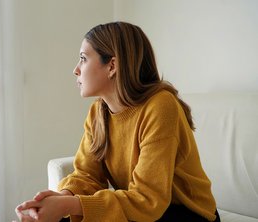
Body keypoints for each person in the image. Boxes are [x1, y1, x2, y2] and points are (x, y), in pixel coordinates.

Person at [14, 21, 220, 222]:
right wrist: (64, 196)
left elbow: (148, 200)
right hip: (146, 210)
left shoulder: (160, 106)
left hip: (186, 213)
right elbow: (87, 175)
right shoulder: (98, 111)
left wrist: (70, 205)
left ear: (112, 65)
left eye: (83, 59)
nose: (76, 69)